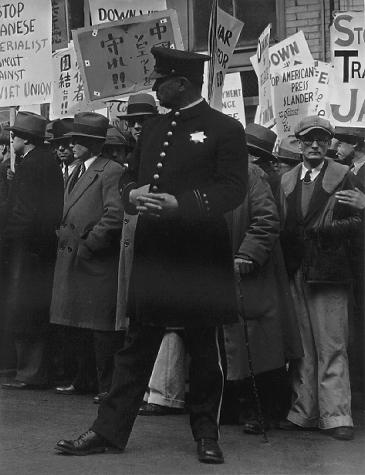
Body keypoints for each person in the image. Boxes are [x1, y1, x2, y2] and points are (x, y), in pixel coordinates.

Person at [55, 46, 248, 464]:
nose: (155, 87)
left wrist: (185, 204)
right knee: (136, 346)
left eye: (161, 81)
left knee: (203, 348)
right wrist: (132, 194)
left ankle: (206, 435)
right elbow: (128, 177)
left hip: (200, 256)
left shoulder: (224, 129)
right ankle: (108, 431)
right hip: (155, 254)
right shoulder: (155, 129)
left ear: (182, 83)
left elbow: (234, 188)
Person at [279, 115, 361, 440]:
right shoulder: (286, 180)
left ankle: (337, 415)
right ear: (299, 143)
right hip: (297, 269)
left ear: (329, 144)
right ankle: (304, 412)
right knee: (302, 346)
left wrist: (323, 231)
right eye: (309, 139)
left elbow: (357, 222)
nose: (315, 145)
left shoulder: (344, 176)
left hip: (329, 271)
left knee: (332, 343)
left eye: (321, 140)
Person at [50, 112, 125, 402]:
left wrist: (90, 244)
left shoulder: (110, 171)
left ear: (93, 144)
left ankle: (106, 386)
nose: (73, 145)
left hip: (94, 259)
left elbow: (114, 215)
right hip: (75, 257)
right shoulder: (78, 170)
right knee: (78, 324)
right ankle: (84, 380)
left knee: (100, 327)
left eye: (79, 140)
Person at [222, 163, 303, 433]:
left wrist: (249, 253)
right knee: (228, 343)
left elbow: (267, 219)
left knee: (258, 343)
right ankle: (234, 406)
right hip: (216, 271)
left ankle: (263, 411)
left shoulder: (250, 174)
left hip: (250, 269)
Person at [1, 111, 64, 390]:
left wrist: (9, 239)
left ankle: (29, 372)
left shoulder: (31, 165)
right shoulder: (45, 162)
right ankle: (30, 370)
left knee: (24, 309)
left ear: (24, 139)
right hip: (39, 248)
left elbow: (23, 212)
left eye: (14, 135)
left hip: (26, 250)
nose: (11, 139)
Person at [49, 118, 79, 183]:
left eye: (65, 143)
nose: (60, 148)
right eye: (57, 143)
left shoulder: (83, 170)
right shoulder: (53, 170)